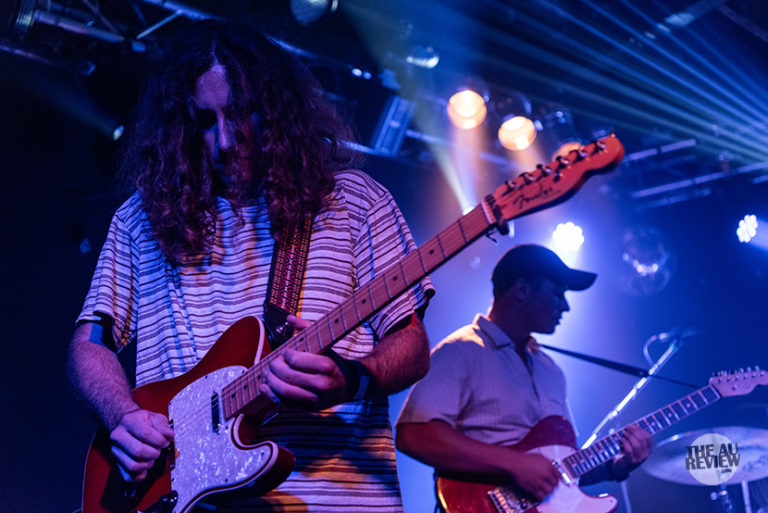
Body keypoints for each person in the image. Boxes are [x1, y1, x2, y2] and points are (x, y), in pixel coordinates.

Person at [67, 20, 433, 512]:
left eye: (241, 113)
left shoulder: (354, 203)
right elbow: (89, 345)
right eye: (204, 121)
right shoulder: (141, 219)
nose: (225, 140)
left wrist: (353, 376)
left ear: (276, 108)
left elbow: (411, 343)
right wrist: (121, 415)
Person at [396, 244, 651, 506]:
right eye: (558, 293)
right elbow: (413, 434)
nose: (565, 306)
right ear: (522, 290)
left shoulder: (550, 370)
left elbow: (561, 469)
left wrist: (617, 466)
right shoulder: (461, 350)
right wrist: (514, 463)